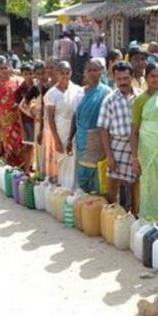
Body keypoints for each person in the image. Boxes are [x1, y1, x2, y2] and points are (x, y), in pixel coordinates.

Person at [130, 61, 158, 228]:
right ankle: (149, 224)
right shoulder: (139, 101)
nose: (156, 79)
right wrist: (134, 158)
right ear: (146, 78)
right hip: (146, 150)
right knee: (148, 185)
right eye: (152, 76)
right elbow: (134, 131)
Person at [98, 61, 139, 209]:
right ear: (114, 78)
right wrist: (109, 156)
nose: (122, 82)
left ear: (132, 77)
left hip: (137, 148)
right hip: (116, 146)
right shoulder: (109, 100)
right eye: (119, 79)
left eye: (125, 78)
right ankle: (111, 218)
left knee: (136, 185)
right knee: (112, 188)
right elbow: (103, 129)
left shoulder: (140, 97)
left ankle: (134, 218)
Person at [72, 59, 112, 193]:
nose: (93, 73)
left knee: (96, 173)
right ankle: (83, 203)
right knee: (82, 173)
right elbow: (75, 117)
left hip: (98, 139)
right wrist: (68, 139)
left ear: (101, 72)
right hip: (81, 138)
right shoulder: (79, 93)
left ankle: (96, 205)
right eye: (89, 70)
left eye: (95, 70)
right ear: (85, 72)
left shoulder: (107, 92)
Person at [44, 61, 83, 190]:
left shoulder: (77, 90)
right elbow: (50, 118)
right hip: (60, 131)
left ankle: (74, 189)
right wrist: (56, 140)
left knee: (75, 160)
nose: (65, 76)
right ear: (57, 73)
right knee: (63, 160)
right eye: (62, 73)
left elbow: (78, 112)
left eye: (67, 73)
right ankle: (64, 190)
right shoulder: (52, 93)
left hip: (75, 131)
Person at [0, 59, 23, 166]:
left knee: (19, 144)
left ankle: (21, 167)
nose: (4, 70)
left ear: (10, 69)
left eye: (6, 67)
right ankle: (9, 167)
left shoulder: (18, 82)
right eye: (1, 68)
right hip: (3, 122)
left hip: (18, 120)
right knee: (7, 145)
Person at [15, 63, 35, 170]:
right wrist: (22, 127)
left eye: (31, 73)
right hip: (27, 122)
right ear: (22, 74)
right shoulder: (19, 90)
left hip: (38, 121)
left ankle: (33, 166)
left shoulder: (38, 86)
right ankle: (26, 169)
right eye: (26, 74)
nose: (29, 76)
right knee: (28, 146)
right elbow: (19, 110)